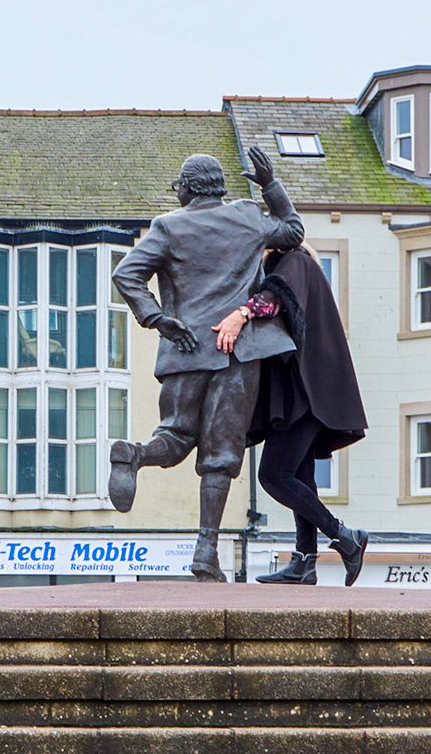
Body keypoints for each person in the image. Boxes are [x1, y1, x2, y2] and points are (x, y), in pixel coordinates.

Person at [108, 146, 303, 581]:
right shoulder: (249, 216)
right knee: (220, 456)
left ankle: (136, 455)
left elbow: (126, 274)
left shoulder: (168, 227)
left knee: (175, 436)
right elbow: (293, 231)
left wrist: (158, 319)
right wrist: (270, 186)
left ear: (188, 189)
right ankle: (205, 551)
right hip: (235, 353)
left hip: (184, 348)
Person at [220, 245, 370, 585]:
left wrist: (240, 314)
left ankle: (345, 537)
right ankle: (305, 561)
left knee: (274, 474)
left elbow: (274, 300)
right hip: (304, 391)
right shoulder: (301, 267)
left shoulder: (294, 262)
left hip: (303, 393)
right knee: (301, 478)